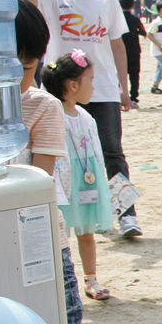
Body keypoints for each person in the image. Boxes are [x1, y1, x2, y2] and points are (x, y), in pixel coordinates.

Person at [21, 0, 140, 238]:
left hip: (101, 90)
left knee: (112, 151)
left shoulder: (106, 0)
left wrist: (124, 87)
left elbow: (118, 45)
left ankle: (125, 213)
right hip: (59, 92)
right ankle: (67, 215)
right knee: (61, 154)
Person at [12, 0, 85, 324]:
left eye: (27, 66)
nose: (18, 78)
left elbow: (36, 183)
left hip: (39, 245)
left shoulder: (41, 105)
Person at [42, 50, 117, 303]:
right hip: (64, 181)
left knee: (86, 232)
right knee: (59, 233)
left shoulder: (85, 115)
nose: (94, 86)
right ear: (73, 85)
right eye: (91, 79)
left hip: (87, 178)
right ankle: (60, 281)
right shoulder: (52, 114)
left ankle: (91, 279)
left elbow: (94, 149)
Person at [118, 0, 146, 107]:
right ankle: (134, 96)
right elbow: (143, 32)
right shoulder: (135, 19)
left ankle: (120, 95)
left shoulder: (117, 19)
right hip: (134, 50)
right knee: (134, 74)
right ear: (132, 6)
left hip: (119, 51)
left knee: (120, 73)